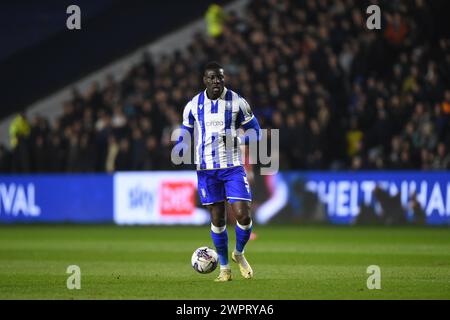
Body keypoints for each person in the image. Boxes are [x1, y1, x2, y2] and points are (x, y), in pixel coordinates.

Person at [176, 61, 261, 281]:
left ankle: (239, 254)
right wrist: (181, 146)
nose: (216, 81)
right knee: (218, 219)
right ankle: (224, 269)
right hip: (206, 171)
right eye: (212, 78)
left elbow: (256, 131)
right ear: (204, 80)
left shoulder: (237, 103)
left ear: (224, 79)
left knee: (243, 215)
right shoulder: (193, 105)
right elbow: (185, 133)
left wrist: (240, 139)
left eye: (220, 78)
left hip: (232, 167)